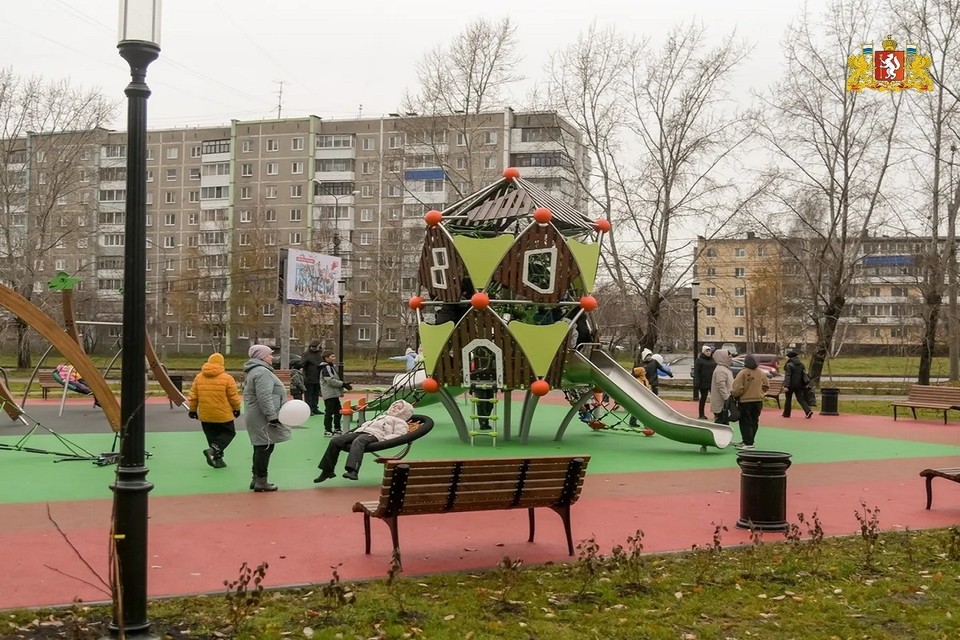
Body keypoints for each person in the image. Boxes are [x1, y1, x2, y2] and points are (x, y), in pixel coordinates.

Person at [313, 399, 415, 482]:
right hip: (361, 431)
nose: (394, 408)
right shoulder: (382, 416)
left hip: (375, 435)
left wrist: (384, 440)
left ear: (404, 412)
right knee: (336, 441)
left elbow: (399, 434)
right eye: (394, 406)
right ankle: (327, 470)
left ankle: (353, 470)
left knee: (359, 441)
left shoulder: (400, 422)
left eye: (399, 408)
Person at [243, 344, 290, 492]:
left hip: (257, 414)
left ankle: (256, 478)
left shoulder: (255, 371)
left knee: (261, 447)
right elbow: (264, 397)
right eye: (270, 354)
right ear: (262, 356)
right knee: (264, 447)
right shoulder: (262, 372)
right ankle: (261, 481)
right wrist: (272, 417)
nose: (272, 357)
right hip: (262, 416)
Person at [186, 352, 242, 469]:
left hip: (206, 415)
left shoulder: (199, 377)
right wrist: (237, 409)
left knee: (212, 437)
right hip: (223, 414)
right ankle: (214, 450)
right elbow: (233, 397)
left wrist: (192, 410)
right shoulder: (227, 378)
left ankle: (218, 459)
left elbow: (194, 396)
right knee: (229, 433)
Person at [731, 355, 769, 450]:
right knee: (754, 421)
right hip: (758, 400)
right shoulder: (761, 372)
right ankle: (750, 440)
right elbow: (766, 385)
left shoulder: (743, 373)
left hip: (745, 401)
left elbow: (737, 388)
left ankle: (748, 442)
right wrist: (760, 392)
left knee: (745, 421)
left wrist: (735, 395)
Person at [319, 351, 351, 436]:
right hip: (329, 394)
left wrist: (343, 385)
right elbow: (330, 381)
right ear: (326, 358)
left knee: (338, 411)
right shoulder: (326, 368)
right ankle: (328, 430)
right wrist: (342, 384)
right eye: (332, 357)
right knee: (329, 412)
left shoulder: (330, 367)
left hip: (333, 393)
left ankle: (337, 428)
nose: (334, 358)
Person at [783, 350, 814, 419]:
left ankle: (786, 413)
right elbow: (803, 374)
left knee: (788, 399)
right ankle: (808, 411)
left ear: (790, 357)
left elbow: (788, 376)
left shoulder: (789, 365)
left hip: (790, 385)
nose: (786, 358)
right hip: (800, 385)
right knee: (800, 399)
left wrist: (786, 386)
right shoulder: (801, 364)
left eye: (787, 356)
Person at [710, 348, 735, 424]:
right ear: (723, 357)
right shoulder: (720, 370)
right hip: (721, 403)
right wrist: (726, 398)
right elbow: (720, 385)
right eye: (729, 357)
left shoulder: (725, 369)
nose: (731, 359)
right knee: (721, 422)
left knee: (725, 421)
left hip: (725, 401)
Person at [301, 339, 325, 416]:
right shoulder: (306, 354)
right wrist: (305, 377)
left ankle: (315, 408)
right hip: (309, 377)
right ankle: (309, 409)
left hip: (318, 377)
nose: (314, 348)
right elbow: (302, 365)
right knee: (308, 394)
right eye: (312, 347)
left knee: (315, 394)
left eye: (315, 346)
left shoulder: (319, 354)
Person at [693, 345, 717, 420]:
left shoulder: (713, 360)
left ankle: (716, 413)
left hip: (712, 382)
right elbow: (696, 372)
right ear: (703, 352)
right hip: (703, 383)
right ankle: (701, 414)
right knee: (703, 398)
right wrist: (696, 382)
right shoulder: (699, 360)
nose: (708, 352)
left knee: (715, 399)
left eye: (709, 351)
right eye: (706, 351)